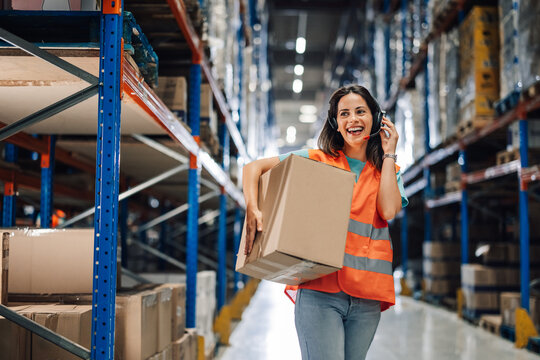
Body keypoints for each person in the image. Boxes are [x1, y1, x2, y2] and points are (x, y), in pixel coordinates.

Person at [242, 84, 408, 360]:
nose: (353, 119)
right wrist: (253, 207)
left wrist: (389, 153)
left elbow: (388, 210)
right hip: (320, 293)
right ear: (335, 123)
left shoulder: (387, 172)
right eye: (344, 114)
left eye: (360, 112)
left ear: (376, 119)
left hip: (367, 297)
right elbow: (253, 168)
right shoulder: (318, 160)